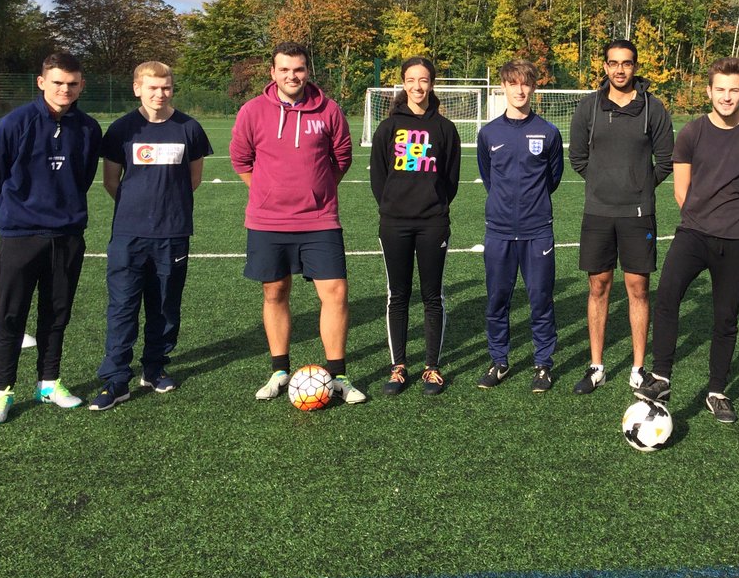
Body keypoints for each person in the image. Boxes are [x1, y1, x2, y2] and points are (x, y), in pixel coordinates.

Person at [635, 57, 739, 423]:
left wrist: (733, 220)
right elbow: (681, 190)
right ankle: (662, 377)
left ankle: (717, 390)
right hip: (693, 235)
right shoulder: (692, 133)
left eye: (734, 90)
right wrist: (704, 218)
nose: (727, 97)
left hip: (738, 239)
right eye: (720, 89)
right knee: (666, 297)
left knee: (726, 317)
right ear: (709, 91)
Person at [229, 42, 365, 404]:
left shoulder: (329, 110)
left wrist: (316, 193)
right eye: (285, 69)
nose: (293, 76)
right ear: (272, 72)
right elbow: (241, 160)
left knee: (335, 293)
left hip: (320, 220)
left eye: (299, 69)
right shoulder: (252, 111)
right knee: (275, 293)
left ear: (308, 71)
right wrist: (268, 193)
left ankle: (338, 376)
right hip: (268, 221)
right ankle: (279, 370)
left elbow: (342, 158)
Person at [0, 52, 102, 425]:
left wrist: (66, 215)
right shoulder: (15, 122)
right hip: (21, 235)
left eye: (73, 83)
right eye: (58, 82)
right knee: (11, 314)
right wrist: (10, 216)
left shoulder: (88, 127)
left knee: (57, 313)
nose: (65, 89)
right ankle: (2, 390)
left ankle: (49, 382)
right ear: (41, 82)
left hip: (67, 235)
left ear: (81, 84)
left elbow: (83, 177)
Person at [88, 62, 213, 411]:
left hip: (173, 233)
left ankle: (155, 367)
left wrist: (165, 212)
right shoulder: (122, 130)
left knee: (164, 305)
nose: (160, 94)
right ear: (137, 88)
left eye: (167, 88)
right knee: (122, 307)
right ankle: (115, 379)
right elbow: (111, 181)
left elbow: (194, 180)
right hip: (128, 235)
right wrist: (137, 212)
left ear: (173, 88)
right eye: (153, 88)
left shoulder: (189, 128)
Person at [568, 39, 674, 395]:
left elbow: (666, 160)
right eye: (613, 63)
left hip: (638, 214)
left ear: (635, 66)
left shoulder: (653, 108)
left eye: (626, 63)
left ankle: (638, 368)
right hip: (598, 212)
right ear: (604, 66)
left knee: (638, 289)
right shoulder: (589, 108)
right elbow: (578, 158)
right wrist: (603, 185)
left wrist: (640, 186)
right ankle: (596, 366)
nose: (619, 70)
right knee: (598, 286)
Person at [369, 57, 462, 396]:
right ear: (403, 83)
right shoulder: (388, 127)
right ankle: (398, 368)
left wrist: (433, 206)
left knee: (432, 295)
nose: (417, 86)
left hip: (432, 224)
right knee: (398, 295)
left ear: (432, 84)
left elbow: (450, 179)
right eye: (411, 80)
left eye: (423, 80)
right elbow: (378, 178)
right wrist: (394, 206)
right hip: (394, 223)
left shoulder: (445, 129)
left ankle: (432, 368)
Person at [475, 59, 564, 393]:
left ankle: (543, 365)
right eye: (513, 83)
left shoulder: (549, 132)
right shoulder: (489, 133)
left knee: (540, 299)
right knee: (497, 299)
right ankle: (499, 361)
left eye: (526, 83)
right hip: (498, 231)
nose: (520, 90)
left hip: (537, 229)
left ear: (534, 88)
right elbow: (488, 176)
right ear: (503, 87)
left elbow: (552, 179)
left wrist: (531, 203)